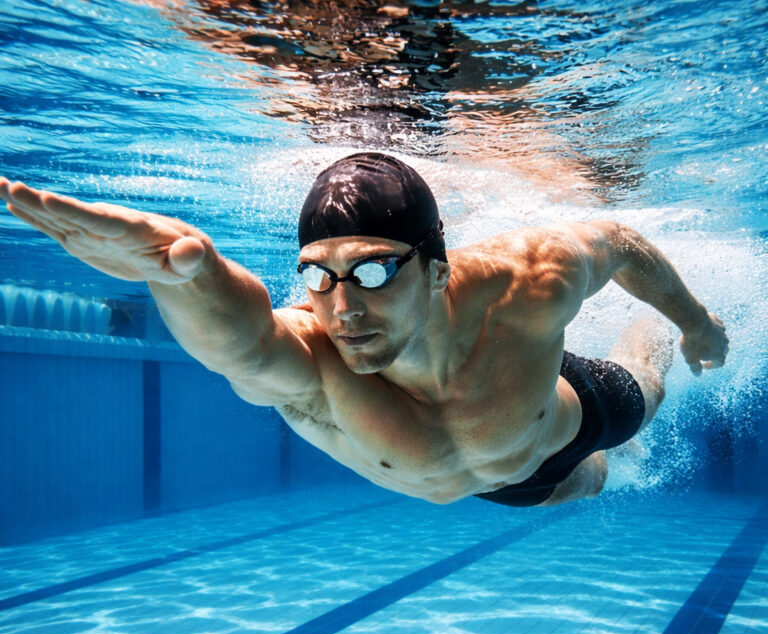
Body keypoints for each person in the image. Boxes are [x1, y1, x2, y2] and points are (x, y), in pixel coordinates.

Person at [0, 153, 728, 506]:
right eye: (318, 274)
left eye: (376, 272)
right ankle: (594, 478)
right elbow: (244, 343)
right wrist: (181, 274)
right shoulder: (315, 361)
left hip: (568, 419)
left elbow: (620, 242)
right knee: (587, 488)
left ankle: (653, 348)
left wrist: (694, 324)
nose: (343, 308)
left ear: (438, 269)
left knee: (649, 381)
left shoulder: (527, 281)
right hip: (508, 485)